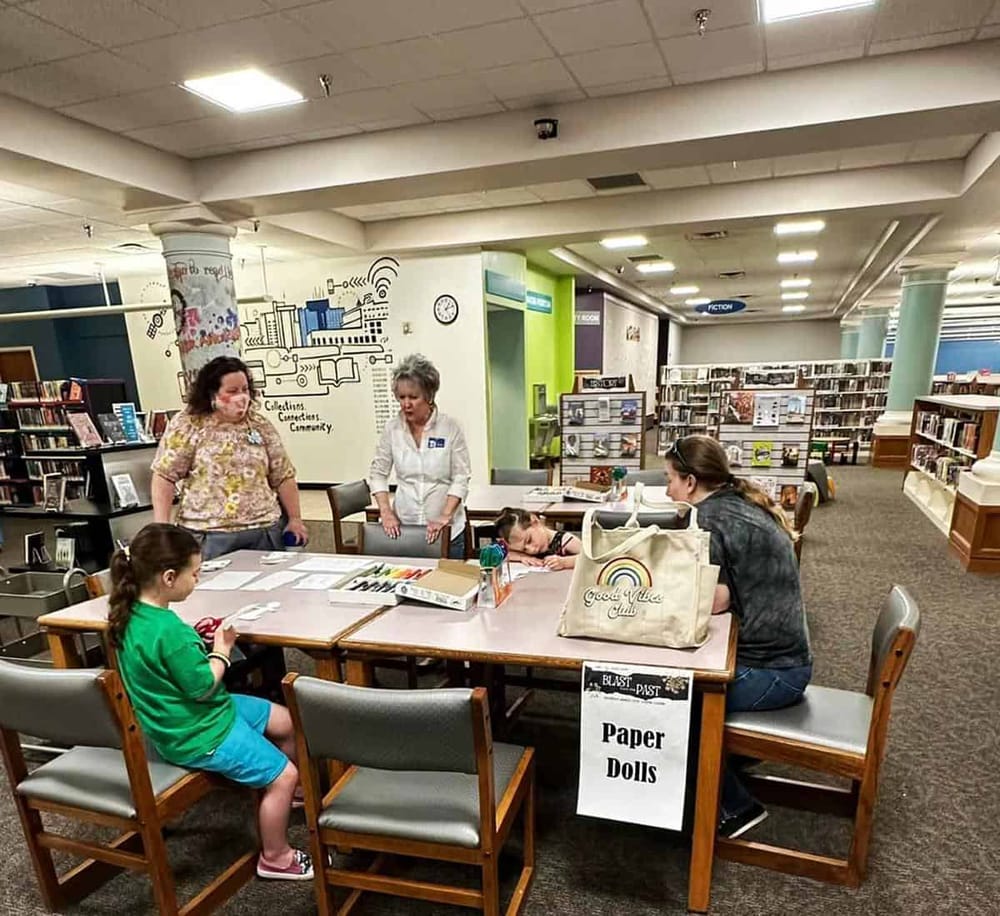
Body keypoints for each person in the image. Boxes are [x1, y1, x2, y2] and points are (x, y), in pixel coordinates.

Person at [108, 523, 312, 880]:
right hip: (199, 732)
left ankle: (286, 798)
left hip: (186, 718)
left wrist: (195, 643)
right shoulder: (168, 632)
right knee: (285, 774)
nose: (197, 581)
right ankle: (276, 856)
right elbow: (202, 686)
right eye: (196, 574)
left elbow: (170, 666)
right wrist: (221, 650)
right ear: (169, 577)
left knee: (286, 722)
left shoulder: (131, 616)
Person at [664, 435, 812, 839]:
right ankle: (728, 758)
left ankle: (735, 806)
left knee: (677, 706)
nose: (667, 489)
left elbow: (715, 600)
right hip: (787, 657)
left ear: (691, 482)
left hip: (776, 672)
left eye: (671, 480)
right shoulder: (739, 502)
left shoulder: (710, 517)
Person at [151, 356, 308, 561]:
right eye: (232, 391)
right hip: (208, 534)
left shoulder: (259, 425)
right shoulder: (188, 425)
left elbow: (283, 475)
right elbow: (164, 476)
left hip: (264, 530)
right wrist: (163, 529)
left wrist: (295, 519)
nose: (241, 397)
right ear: (212, 394)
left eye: (245, 390)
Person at [369, 354, 471, 559]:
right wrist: (386, 512)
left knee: (448, 586)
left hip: (446, 531)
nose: (406, 404)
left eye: (413, 397)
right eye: (402, 397)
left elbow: (461, 477)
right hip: (405, 530)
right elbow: (377, 474)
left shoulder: (450, 428)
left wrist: (445, 516)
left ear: (429, 396)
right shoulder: (392, 429)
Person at [494, 507, 580, 570]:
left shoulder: (566, 540)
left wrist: (565, 562)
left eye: (529, 540)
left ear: (534, 521)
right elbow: (494, 553)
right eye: (524, 549)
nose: (531, 550)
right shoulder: (525, 547)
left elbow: (590, 559)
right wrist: (522, 557)